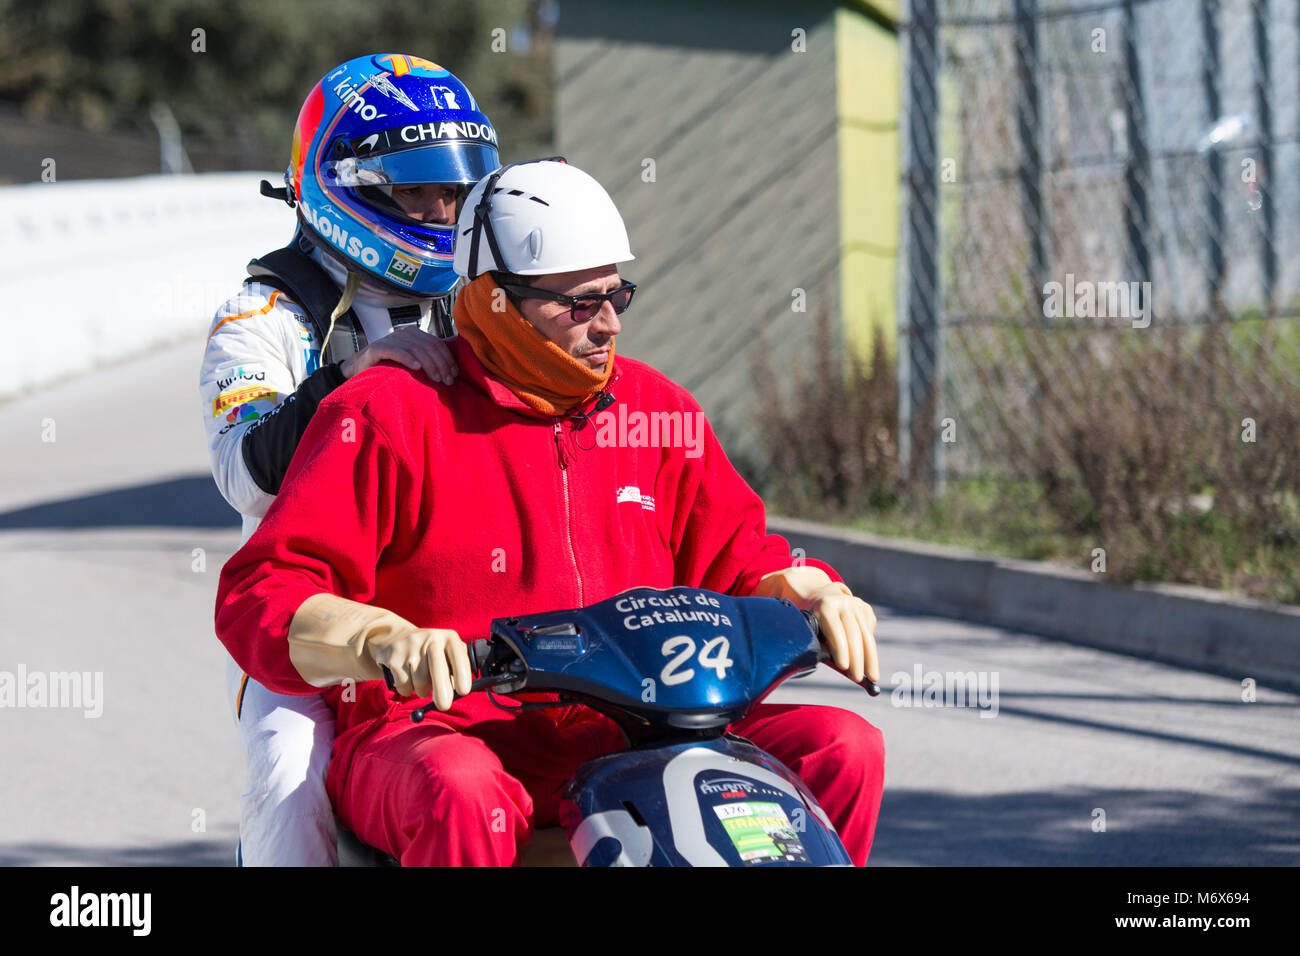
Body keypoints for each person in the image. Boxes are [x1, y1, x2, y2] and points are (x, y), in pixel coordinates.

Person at [215, 159, 885, 866]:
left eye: (616, 296)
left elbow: (744, 559)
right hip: (444, 735)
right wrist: (384, 638)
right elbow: (263, 592)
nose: (606, 325)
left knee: (841, 747)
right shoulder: (387, 413)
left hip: (642, 733)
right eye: (576, 305)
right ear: (495, 299)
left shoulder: (658, 412)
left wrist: (817, 592)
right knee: (460, 788)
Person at [199, 53, 500, 866]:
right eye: (416, 189)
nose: (443, 210)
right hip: (316, 628)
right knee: (289, 785)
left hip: (471, 608)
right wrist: (351, 376)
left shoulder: (484, 297)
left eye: (455, 188)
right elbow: (244, 470)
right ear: (345, 184)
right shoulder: (262, 313)